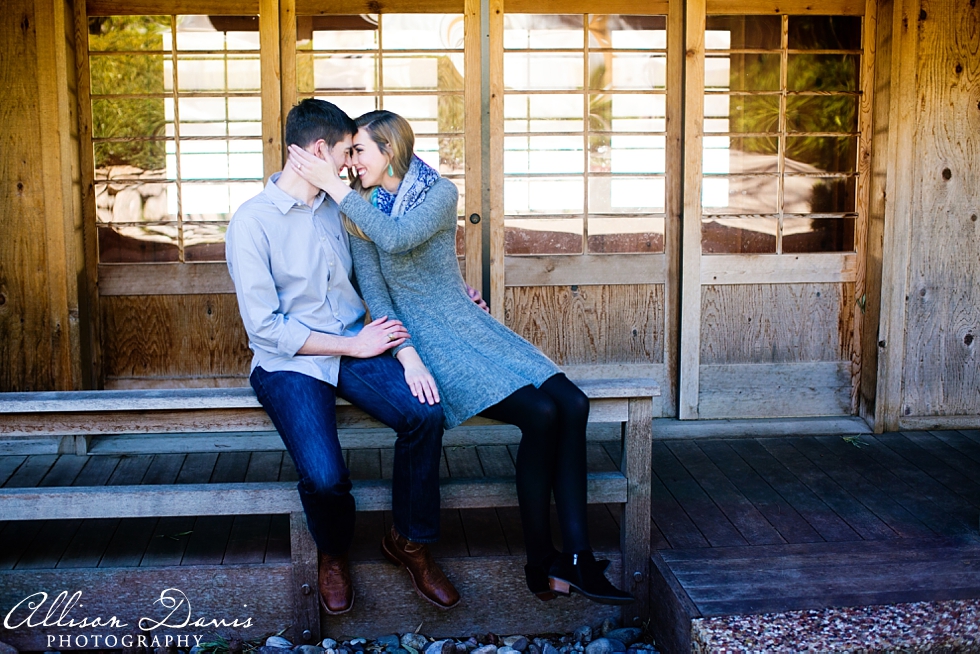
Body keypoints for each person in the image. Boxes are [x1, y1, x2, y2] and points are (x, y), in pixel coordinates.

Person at [287, 110, 634, 605]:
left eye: (360, 151)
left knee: (573, 404)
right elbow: (379, 296)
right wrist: (407, 355)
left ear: (389, 150)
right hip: (428, 342)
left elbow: (402, 235)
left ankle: (575, 557)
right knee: (539, 415)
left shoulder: (439, 193)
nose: (350, 165)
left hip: (469, 324)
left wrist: (338, 190)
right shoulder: (354, 211)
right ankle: (541, 561)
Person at [225, 99, 461, 615]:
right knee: (327, 477)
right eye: (345, 152)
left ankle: (411, 543)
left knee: (425, 412)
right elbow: (265, 328)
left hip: (359, 341)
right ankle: (333, 554)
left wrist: (455, 297)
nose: (352, 164)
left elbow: (390, 268)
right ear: (316, 151)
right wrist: (353, 345)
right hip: (291, 362)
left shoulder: (343, 208)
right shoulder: (251, 223)